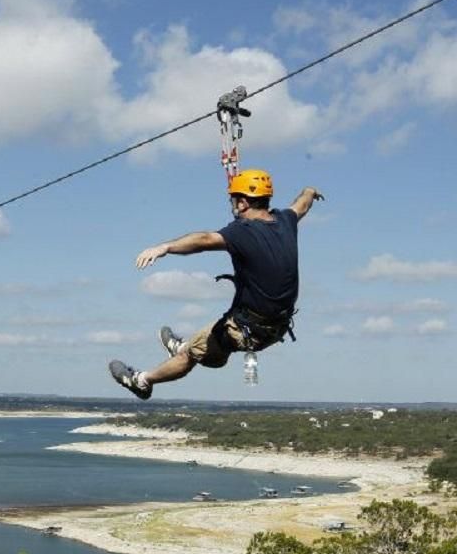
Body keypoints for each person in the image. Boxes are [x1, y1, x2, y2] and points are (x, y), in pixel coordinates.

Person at [109, 169, 323, 399]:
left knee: (188, 357)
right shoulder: (285, 220)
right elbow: (302, 203)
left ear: (242, 203)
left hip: (244, 329)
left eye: (233, 200)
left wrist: (165, 247)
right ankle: (185, 347)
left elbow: (204, 240)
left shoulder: (243, 232)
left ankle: (142, 381)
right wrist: (310, 191)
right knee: (208, 347)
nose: (232, 206)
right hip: (275, 327)